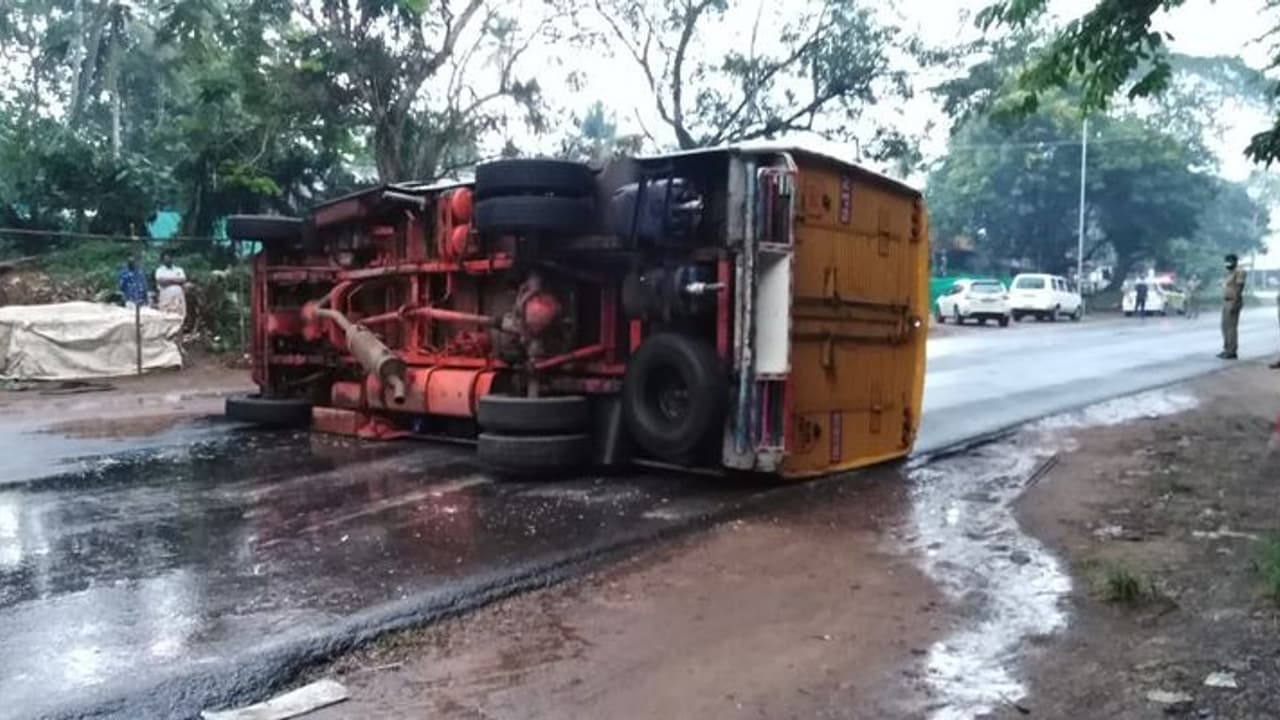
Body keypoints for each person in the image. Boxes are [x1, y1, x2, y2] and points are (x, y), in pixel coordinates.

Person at [1219, 253, 1248, 360]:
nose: (1227, 263)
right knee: (1224, 326)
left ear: (1235, 261)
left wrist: (1235, 302)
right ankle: (1226, 348)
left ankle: (1232, 351)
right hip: (1226, 301)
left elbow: (1239, 288)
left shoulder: (1240, 272)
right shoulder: (1229, 273)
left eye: (1229, 261)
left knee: (1231, 327)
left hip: (1233, 301)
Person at [155, 250, 188, 319]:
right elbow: (161, 281)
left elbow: (183, 280)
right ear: (163, 260)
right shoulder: (159, 270)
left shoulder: (179, 270)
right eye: (166, 258)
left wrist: (168, 280)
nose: (168, 260)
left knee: (179, 316)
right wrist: (175, 280)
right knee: (166, 317)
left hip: (178, 298)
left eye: (169, 258)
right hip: (166, 297)